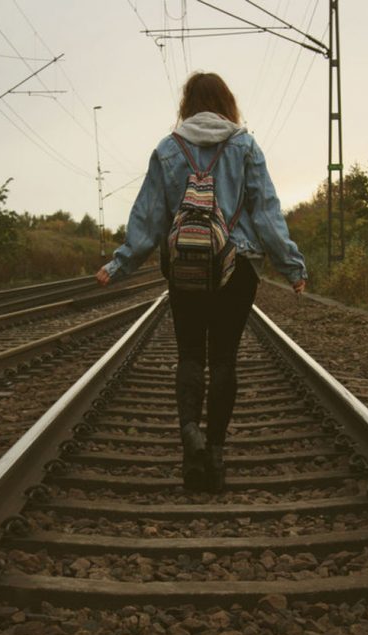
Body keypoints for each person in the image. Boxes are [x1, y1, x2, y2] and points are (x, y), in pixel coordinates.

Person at [96, 72, 307, 493]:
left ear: (187, 104)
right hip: (238, 265)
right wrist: (292, 266)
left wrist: (119, 264)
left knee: (191, 355)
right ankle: (214, 452)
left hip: (186, 265)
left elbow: (149, 217)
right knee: (224, 358)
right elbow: (266, 213)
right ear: (227, 103)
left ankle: (190, 434)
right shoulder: (245, 146)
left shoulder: (167, 149)